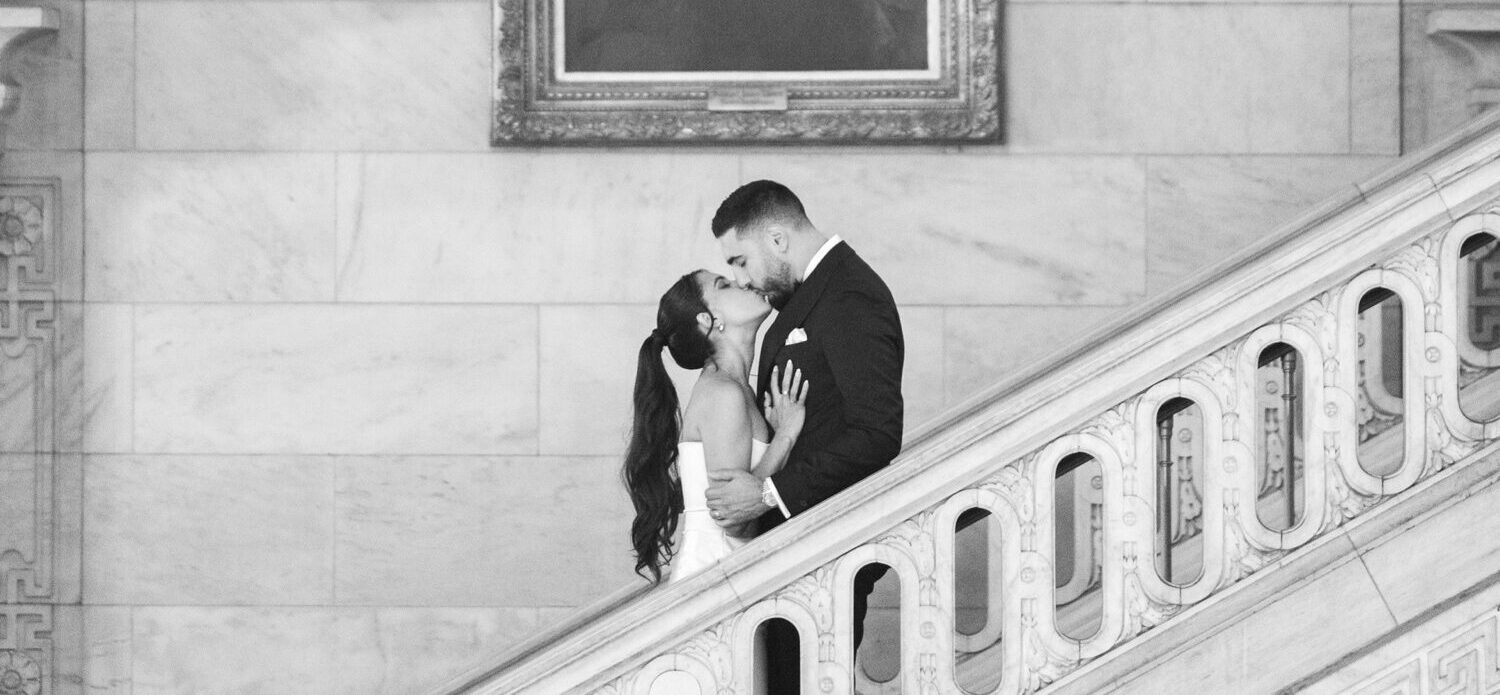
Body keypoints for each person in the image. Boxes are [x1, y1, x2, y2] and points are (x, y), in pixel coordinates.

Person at [704, 180, 905, 693]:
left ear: (776, 239)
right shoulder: (810, 294)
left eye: (741, 261)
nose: (741, 278)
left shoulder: (849, 291)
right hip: (793, 553)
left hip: (825, 548)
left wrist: (769, 492)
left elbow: (877, 432)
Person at [623, 270, 810, 585]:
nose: (743, 281)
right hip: (714, 576)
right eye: (723, 285)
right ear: (708, 321)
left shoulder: (735, 389)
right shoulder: (724, 393)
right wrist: (785, 437)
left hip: (729, 572)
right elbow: (733, 519)